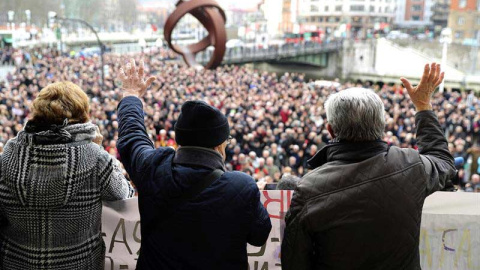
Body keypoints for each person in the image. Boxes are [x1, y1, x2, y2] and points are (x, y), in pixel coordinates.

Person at [281, 63, 456, 269]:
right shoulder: (412, 165)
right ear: (382, 126)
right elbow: (443, 162)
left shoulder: (309, 189)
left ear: (330, 131)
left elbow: (294, 263)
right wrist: (423, 107)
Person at [116, 59, 272, 270]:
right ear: (219, 145)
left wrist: (131, 95)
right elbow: (259, 235)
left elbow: (132, 137)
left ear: (179, 140)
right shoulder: (241, 186)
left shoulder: (153, 168)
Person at [0, 81, 134, 270]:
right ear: (82, 115)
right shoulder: (96, 158)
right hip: (80, 264)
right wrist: (97, 148)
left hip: (17, 263)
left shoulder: (6, 158)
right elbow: (124, 195)